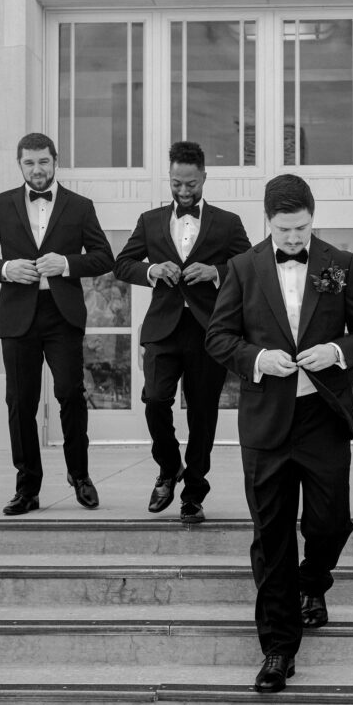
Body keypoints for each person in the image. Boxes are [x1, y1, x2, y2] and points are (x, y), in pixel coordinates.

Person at [205, 174, 353, 693]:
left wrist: (337, 352)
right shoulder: (241, 268)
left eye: (301, 228)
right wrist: (258, 359)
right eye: (284, 230)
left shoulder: (340, 263)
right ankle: (278, 649)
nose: (292, 239)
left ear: (313, 217)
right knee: (272, 536)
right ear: (268, 222)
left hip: (321, 419)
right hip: (265, 423)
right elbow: (219, 337)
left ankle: (314, 581)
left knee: (331, 523)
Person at [0, 132, 114, 515]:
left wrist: (66, 264)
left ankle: (80, 477)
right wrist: (4, 268)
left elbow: (103, 257)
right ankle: (27, 488)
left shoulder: (80, 206)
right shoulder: (0, 205)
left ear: (55, 161)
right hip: (18, 317)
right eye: (29, 163)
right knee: (20, 402)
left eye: (43, 161)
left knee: (69, 395)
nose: (37, 169)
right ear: (20, 165)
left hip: (61, 315)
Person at [114, 141, 250, 522]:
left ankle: (193, 492)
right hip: (163, 329)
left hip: (210, 330)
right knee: (156, 400)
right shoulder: (150, 220)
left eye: (191, 184)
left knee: (203, 414)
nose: (184, 191)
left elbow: (249, 266)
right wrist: (152, 271)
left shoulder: (228, 222)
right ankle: (169, 466)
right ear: (169, 178)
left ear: (204, 177)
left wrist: (216, 272)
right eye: (177, 184)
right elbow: (122, 265)